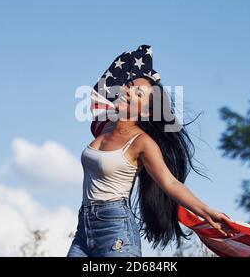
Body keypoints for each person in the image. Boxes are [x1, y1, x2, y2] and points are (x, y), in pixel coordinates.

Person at [67, 72, 234, 257]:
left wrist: (207, 212)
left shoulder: (142, 143)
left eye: (139, 94)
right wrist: (145, 67)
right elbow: (105, 81)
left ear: (146, 112)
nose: (129, 92)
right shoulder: (106, 126)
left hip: (115, 229)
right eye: (129, 86)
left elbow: (169, 183)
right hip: (84, 228)